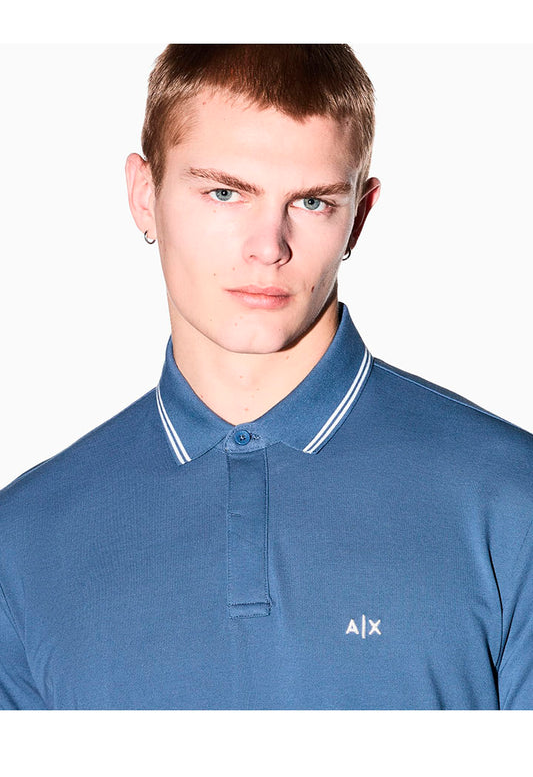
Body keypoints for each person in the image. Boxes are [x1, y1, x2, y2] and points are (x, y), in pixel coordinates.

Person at [0, 44, 532, 711]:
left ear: (358, 216)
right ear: (144, 195)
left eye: (311, 202)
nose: (268, 247)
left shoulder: (512, 500)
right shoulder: (22, 539)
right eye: (224, 193)